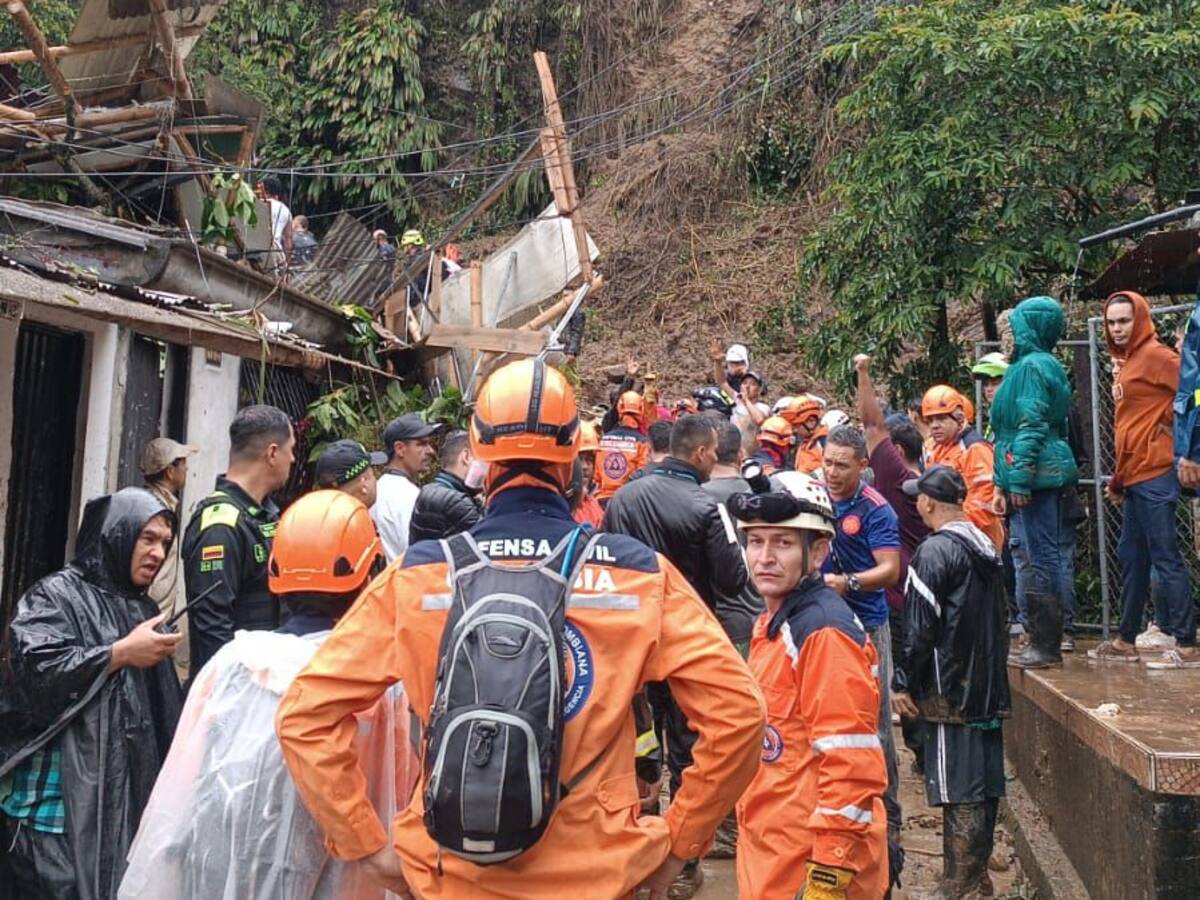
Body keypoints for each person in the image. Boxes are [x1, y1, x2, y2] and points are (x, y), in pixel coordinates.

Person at [275, 358, 765, 899]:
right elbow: (740, 715)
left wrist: (364, 844)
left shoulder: (419, 575)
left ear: (481, 456)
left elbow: (306, 715)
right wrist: (679, 843)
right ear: (571, 460)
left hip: (450, 872)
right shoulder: (637, 574)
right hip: (596, 875)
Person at [120, 491, 415, 900]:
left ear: (277, 575)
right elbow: (401, 796)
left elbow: (182, 793)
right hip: (345, 877)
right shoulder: (380, 681)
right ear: (369, 576)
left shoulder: (232, 663)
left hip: (224, 868)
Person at [0, 488, 183, 899]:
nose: (157, 553)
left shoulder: (141, 608)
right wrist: (118, 654)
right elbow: (37, 667)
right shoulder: (57, 595)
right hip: (50, 815)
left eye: (165, 544)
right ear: (115, 534)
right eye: (147, 538)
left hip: (116, 807)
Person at [602, 413, 750, 897]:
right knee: (691, 748)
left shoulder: (622, 498)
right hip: (687, 644)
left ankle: (631, 851)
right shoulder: (706, 507)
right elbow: (732, 579)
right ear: (704, 453)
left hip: (629, 646)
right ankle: (683, 862)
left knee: (635, 742)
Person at [731, 471, 888, 900]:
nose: (764, 557)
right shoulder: (775, 621)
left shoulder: (822, 633)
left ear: (817, 552)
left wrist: (828, 875)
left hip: (806, 867)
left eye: (782, 543)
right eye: (756, 541)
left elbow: (851, 764)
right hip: (774, 854)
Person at [895, 466, 1009, 899]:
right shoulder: (987, 545)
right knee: (982, 781)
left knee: (958, 785)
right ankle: (976, 878)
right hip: (986, 689)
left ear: (927, 503)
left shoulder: (935, 551)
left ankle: (956, 885)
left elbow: (921, 628)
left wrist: (905, 680)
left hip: (951, 690)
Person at [1090, 291, 1196, 666]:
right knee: (1132, 556)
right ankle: (1125, 638)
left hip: (1157, 473)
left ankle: (1187, 642)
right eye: (1112, 322)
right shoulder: (1128, 361)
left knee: (1165, 556)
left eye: (1124, 320)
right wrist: (1119, 478)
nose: (1117, 328)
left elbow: (1194, 393)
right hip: (1134, 476)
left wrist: (1179, 438)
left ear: (1141, 320)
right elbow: (1129, 427)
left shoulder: (1156, 356)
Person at [819, 424, 904, 881]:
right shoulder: (817, 496)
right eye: (827, 462)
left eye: (841, 465)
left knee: (874, 725)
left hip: (867, 625)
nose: (831, 472)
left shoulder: (876, 510)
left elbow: (890, 570)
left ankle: (886, 829)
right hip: (821, 624)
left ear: (862, 467)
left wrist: (847, 582)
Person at [990, 296, 1079, 669]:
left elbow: (1030, 426)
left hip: (1038, 477)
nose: (1006, 338)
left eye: (1011, 330)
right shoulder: (1036, 364)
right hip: (1036, 473)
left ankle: (1046, 644)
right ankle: (1044, 640)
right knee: (1038, 554)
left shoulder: (1030, 367)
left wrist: (1020, 481)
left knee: (1041, 557)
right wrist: (1002, 481)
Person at [855, 355, 931, 772]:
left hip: (899, 598)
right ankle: (929, 755)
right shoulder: (939, 481)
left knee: (900, 682)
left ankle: (916, 753)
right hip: (936, 597)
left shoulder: (896, 483)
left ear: (897, 452)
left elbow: (871, 426)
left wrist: (864, 373)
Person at [183, 405, 295, 676]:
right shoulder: (220, 526)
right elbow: (212, 629)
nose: (292, 459)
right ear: (272, 453)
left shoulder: (266, 515)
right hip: (236, 693)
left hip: (268, 680)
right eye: (290, 449)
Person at [702, 421, 765, 653]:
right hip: (760, 615)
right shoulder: (763, 493)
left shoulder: (697, 496)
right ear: (740, 454)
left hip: (713, 621)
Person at [920, 384, 1005, 551]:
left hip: (979, 542)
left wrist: (951, 525)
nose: (934, 425)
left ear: (959, 419)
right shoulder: (935, 447)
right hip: (949, 537)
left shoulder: (975, 449)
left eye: (941, 418)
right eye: (930, 420)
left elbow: (984, 503)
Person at [141, 437, 198, 679]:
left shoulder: (165, 506)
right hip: (147, 622)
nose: (186, 468)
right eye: (182, 463)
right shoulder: (152, 511)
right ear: (169, 470)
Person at [372, 412, 442, 562]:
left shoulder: (378, 489)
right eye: (421, 444)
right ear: (400, 449)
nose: (430, 451)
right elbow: (420, 555)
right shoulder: (406, 496)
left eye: (429, 444)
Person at [408, 429, 483, 543]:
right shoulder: (456, 502)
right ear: (466, 457)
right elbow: (489, 539)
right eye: (483, 460)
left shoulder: (430, 490)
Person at [595, 390, 652, 503]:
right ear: (641, 410)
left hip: (600, 500)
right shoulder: (642, 443)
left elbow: (595, 475)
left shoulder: (603, 440)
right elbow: (643, 475)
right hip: (627, 502)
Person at [314, 438, 387, 509]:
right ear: (364, 487)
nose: (375, 480)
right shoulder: (358, 520)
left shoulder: (312, 516)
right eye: (373, 475)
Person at [782, 395, 828, 475]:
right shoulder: (804, 443)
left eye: (797, 425)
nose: (794, 430)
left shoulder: (824, 441)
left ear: (811, 421)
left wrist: (816, 476)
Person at [571, 420, 604, 528]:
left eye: (589, 460)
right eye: (579, 459)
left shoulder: (592, 505)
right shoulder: (560, 507)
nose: (585, 467)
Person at [971, 352, 1009, 441]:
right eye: (986, 385)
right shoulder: (996, 414)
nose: (988, 389)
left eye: (994, 384)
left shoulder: (1013, 415)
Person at [262, 177, 293, 273]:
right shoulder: (286, 210)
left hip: (257, 250)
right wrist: (286, 263)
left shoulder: (258, 204)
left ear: (263, 189)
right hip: (276, 253)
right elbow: (288, 240)